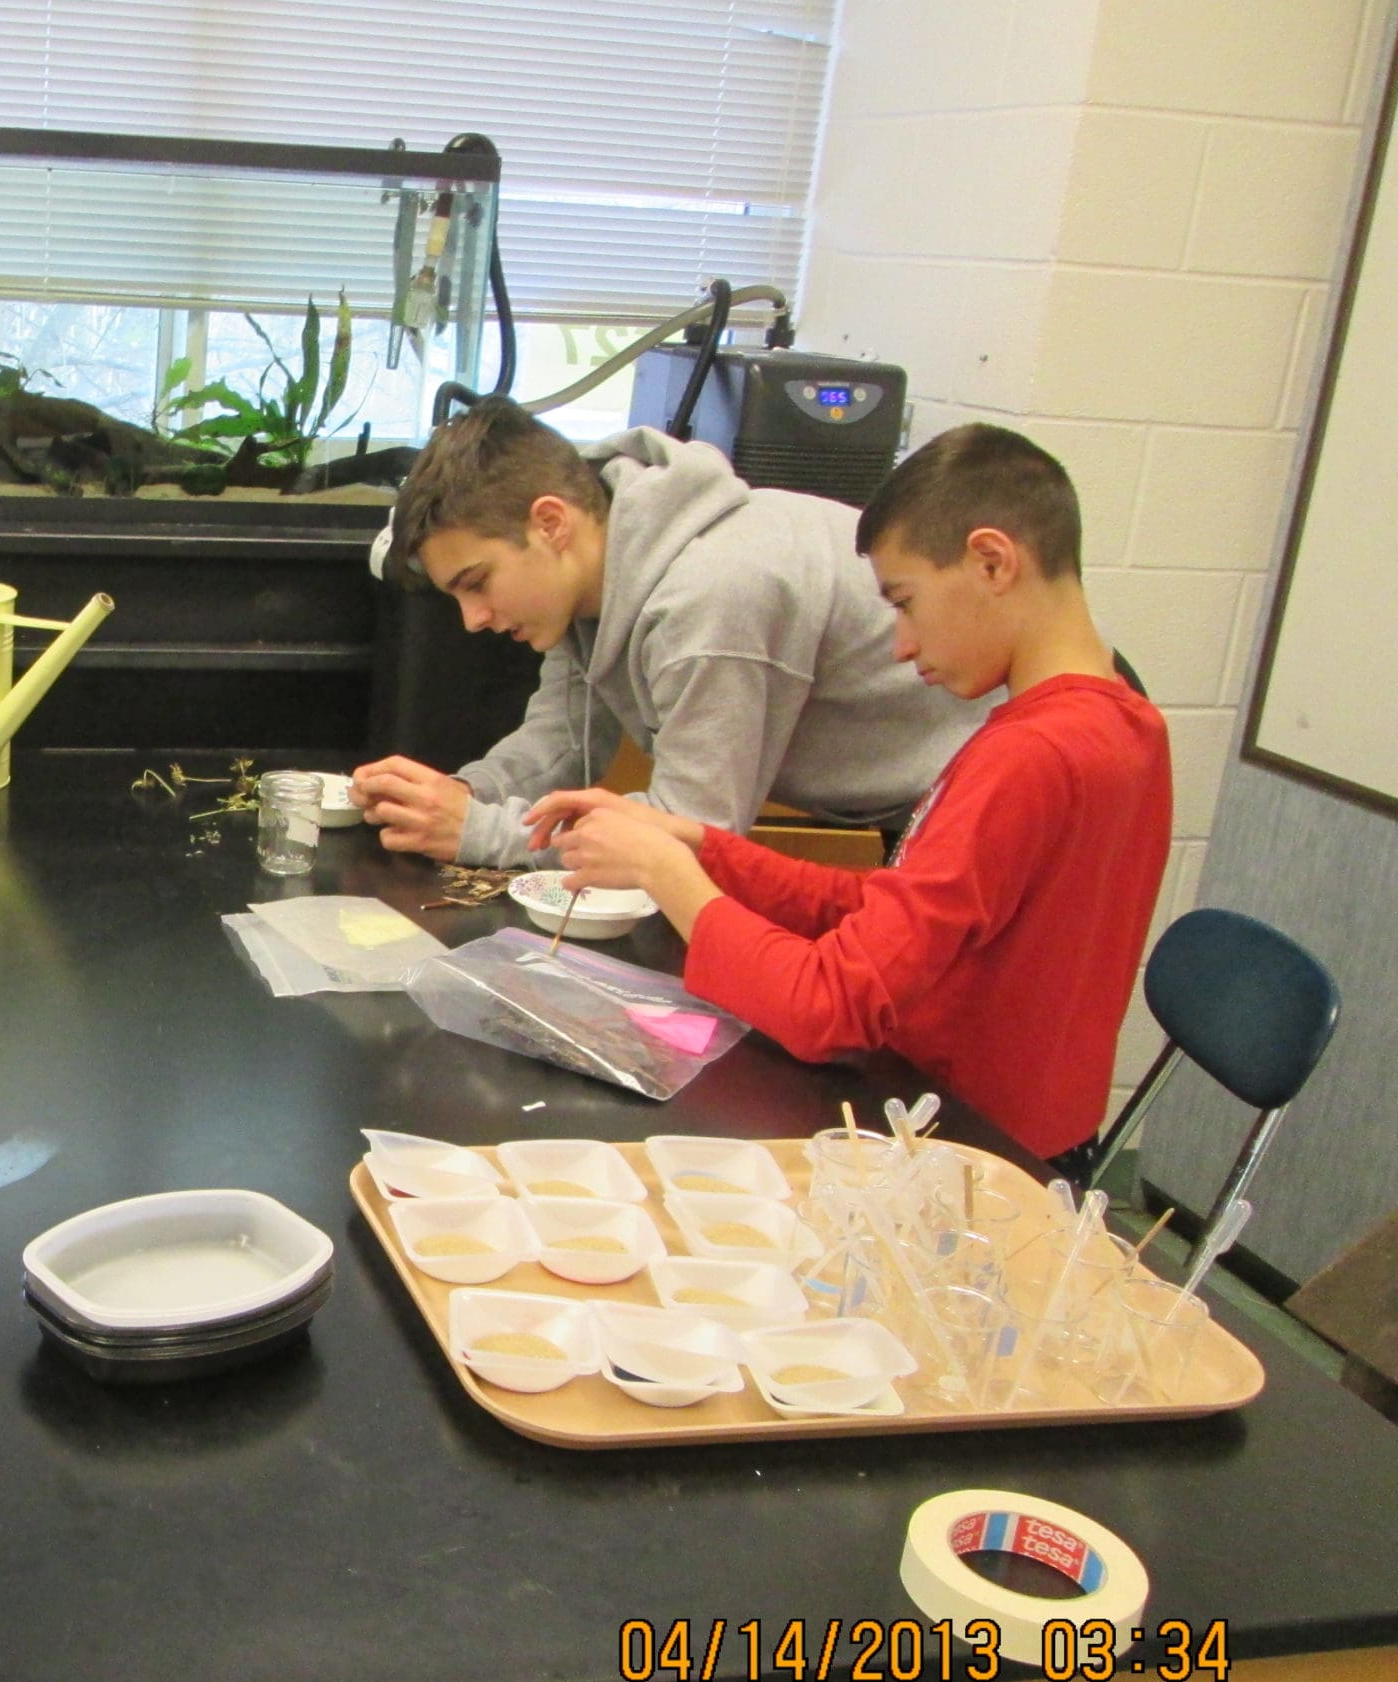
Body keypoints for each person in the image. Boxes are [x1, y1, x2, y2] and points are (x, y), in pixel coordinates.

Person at [529, 425, 1171, 1169]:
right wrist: (700, 849)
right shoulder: (1131, 724)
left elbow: (827, 1008)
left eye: (905, 602)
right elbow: (895, 907)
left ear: (992, 561)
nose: (899, 643)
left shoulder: (1026, 755)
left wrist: (669, 880)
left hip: (961, 1158)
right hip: (1039, 1144)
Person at [351, 399, 985, 867]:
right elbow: (564, 738)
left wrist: (480, 832)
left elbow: (689, 836)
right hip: (915, 809)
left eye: (477, 581)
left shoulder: (711, 593)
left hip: (980, 799)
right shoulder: (601, 569)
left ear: (550, 523)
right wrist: (458, 796)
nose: (474, 619)